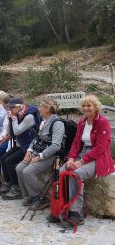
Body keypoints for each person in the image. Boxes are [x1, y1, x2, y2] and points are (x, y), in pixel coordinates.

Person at [47, 95, 115, 226]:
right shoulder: (82, 122)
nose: (86, 108)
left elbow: (101, 147)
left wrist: (82, 161)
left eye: (89, 105)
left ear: (96, 107)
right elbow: (76, 143)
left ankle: (76, 213)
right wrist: (71, 158)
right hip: (82, 153)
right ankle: (61, 207)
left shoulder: (103, 122)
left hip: (98, 157)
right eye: (84, 106)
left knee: (75, 175)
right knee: (61, 172)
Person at [16, 98, 64, 209]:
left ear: (47, 109)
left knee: (27, 171)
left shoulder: (57, 123)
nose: (39, 109)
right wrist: (29, 150)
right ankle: (29, 194)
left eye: (41, 107)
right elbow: (36, 138)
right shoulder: (44, 120)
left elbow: (56, 145)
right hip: (37, 152)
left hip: (49, 155)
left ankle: (40, 198)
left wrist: (40, 157)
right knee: (19, 168)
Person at [0, 96, 39, 200]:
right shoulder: (17, 114)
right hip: (20, 143)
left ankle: (16, 189)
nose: (10, 110)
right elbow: (10, 131)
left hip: (29, 146)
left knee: (10, 161)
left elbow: (17, 131)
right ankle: (9, 183)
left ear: (20, 106)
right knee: (3, 158)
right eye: (9, 107)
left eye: (12, 107)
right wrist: (10, 120)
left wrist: (14, 119)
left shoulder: (29, 116)